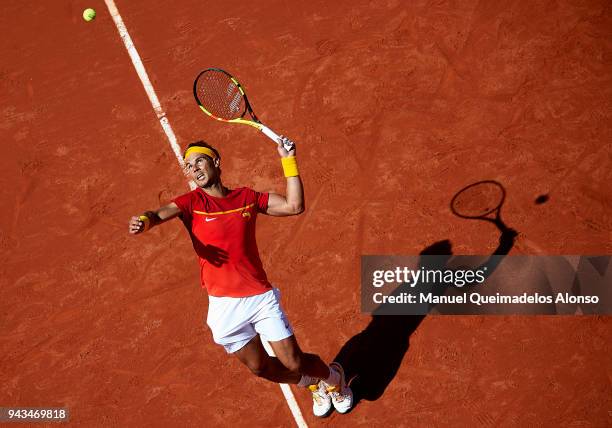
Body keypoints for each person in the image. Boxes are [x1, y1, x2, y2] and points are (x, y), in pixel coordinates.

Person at [128, 137, 353, 417]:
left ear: (216, 162)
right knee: (260, 368)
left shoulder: (245, 198)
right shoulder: (191, 203)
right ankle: (311, 384)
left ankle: (333, 378)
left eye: (199, 160)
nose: (194, 169)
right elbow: (161, 213)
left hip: (259, 297)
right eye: (188, 166)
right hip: (223, 306)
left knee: (293, 362)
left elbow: (294, 206)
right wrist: (145, 220)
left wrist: (288, 159)